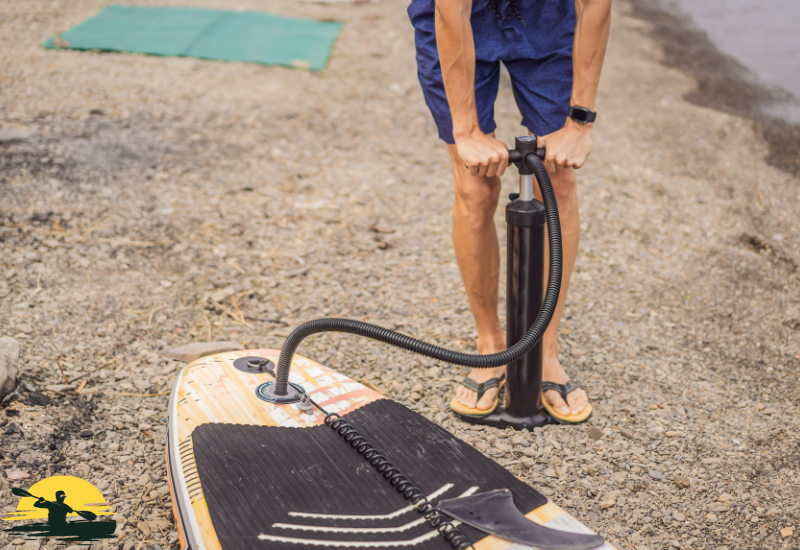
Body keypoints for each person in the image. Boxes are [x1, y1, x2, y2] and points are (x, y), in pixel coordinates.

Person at [408, 0, 611, 421]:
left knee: (559, 182)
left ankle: (545, 350)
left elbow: (594, 4)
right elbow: (451, 11)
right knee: (476, 188)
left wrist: (579, 123)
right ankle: (491, 345)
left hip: (546, 13)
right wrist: (466, 132)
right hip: (459, 14)